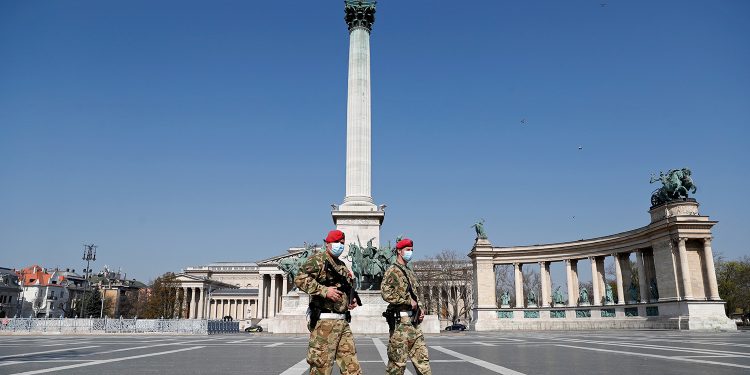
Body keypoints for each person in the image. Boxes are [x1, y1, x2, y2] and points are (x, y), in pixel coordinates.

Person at [294, 229, 361, 375]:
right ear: (327, 243)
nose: (340, 245)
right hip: (324, 324)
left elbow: (344, 289)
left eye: (342, 243)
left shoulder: (342, 265)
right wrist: (324, 291)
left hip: (342, 323)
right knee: (321, 368)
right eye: (337, 242)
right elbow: (300, 278)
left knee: (352, 369)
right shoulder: (317, 260)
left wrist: (349, 301)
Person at [381, 238, 432, 375]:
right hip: (400, 326)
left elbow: (414, 296)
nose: (410, 253)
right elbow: (386, 293)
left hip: (414, 325)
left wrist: (419, 309)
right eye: (408, 250)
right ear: (399, 251)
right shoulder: (392, 270)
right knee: (397, 366)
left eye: (412, 250)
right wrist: (408, 301)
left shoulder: (409, 271)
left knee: (423, 364)